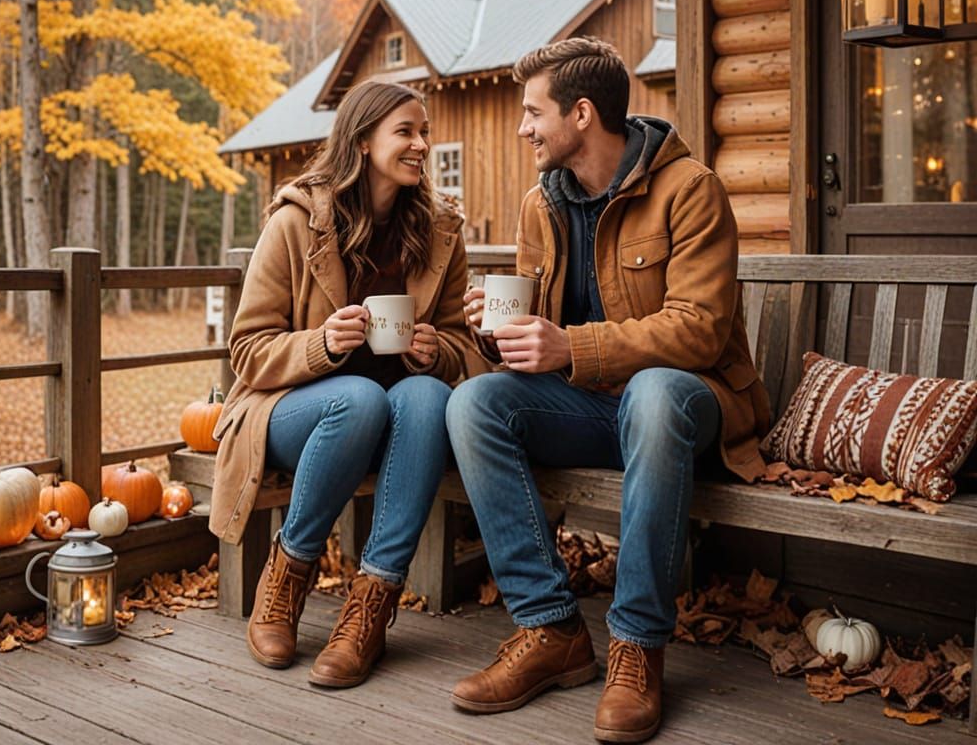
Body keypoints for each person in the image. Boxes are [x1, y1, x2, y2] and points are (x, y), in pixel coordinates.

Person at [445, 37, 770, 743]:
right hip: (594, 408)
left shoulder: (690, 190)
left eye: (534, 113)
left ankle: (637, 645)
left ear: (583, 114)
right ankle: (550, 629)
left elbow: (700, 331)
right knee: (473, 403)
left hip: (691, 405)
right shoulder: (541, 204)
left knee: (653, 394)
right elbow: (539, 336)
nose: (524, 128)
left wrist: (572, 346)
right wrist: (497, 334)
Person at [209, 80, 473, 688]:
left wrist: (436, 352)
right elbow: (247, 349)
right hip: (294, 413)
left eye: (425, 132)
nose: (422, 144)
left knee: (427, 396)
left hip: (399, 424)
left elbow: (461, 343)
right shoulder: (296, 223)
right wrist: (322, 345)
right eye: (406, 132)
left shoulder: (439, 231)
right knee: (358, 399)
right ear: (362, 141)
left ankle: (369, 610)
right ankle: (285, 580)